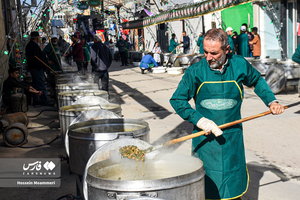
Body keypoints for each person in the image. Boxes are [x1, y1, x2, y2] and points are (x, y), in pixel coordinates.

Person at [169, 28, 284, 200]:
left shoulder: (239, 64)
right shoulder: (195, 71)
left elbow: (257, 80)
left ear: (227, 50)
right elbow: (177, 100)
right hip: (205, 138)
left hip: (232, 136)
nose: (208, 57)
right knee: (207, 187)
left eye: (214, 53)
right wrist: (199, 120)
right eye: (205, 52)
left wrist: (271, 101)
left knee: (232, 184)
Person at [25, 31, 50, 105]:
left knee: (35, 84)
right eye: (39, 37)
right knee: (40, 84)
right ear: (37, 37)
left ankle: (36, 100)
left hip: (34, 68)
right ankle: (44, 100)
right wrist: (42, 66)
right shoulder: (33, 46)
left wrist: (46, 62)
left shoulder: (31, 45)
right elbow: (36, 58)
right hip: (36, 68)